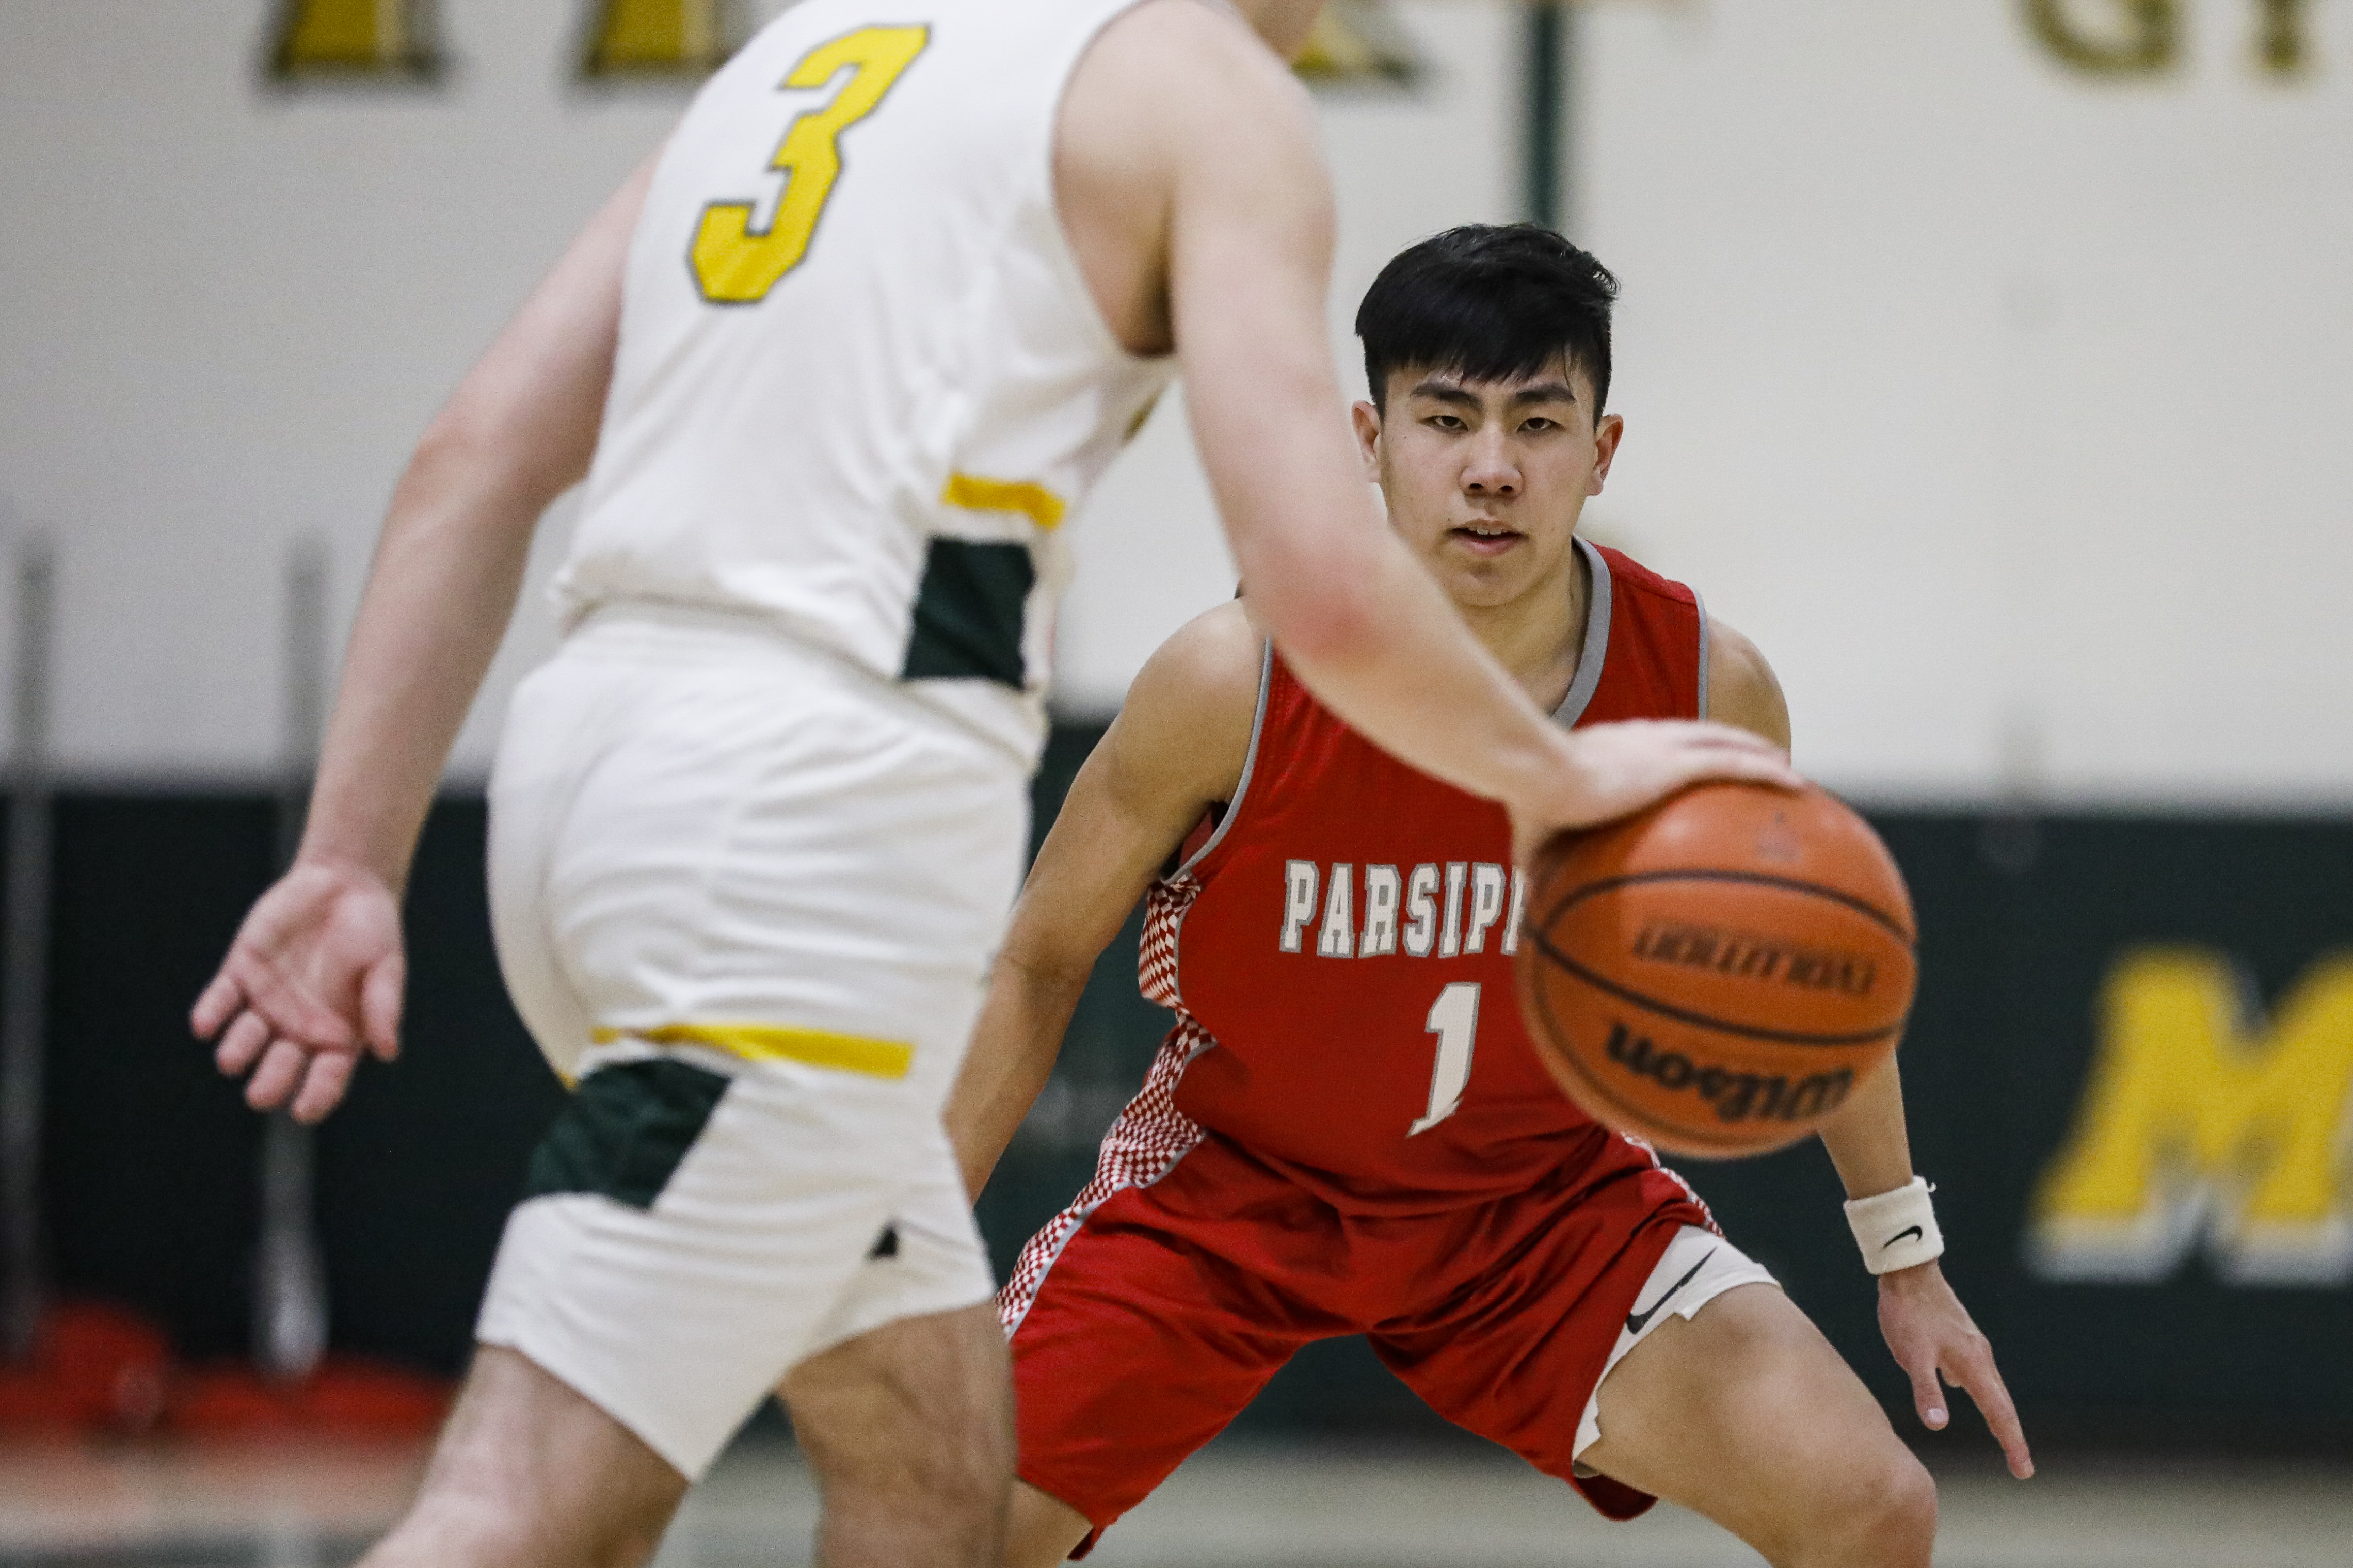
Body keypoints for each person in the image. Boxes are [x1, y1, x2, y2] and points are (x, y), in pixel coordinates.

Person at [191, 5, 1796, 1564]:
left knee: (935, 1480)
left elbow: (470, 458)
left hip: (586, 782)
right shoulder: (1202, 90)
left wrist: (348, 858)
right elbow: (1316, 574)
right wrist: (1566, 777)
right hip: (787, 835)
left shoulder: (805, 57)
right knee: (530, 1504)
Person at [947, 224, 2034, 1568]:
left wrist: (1905, 1260)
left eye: (1538, 421)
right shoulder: (1239, 676)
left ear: (1602, 450)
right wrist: (911, 1260)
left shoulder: (1703, 684)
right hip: (1233, 1194)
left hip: (1537, 1207)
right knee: (943, 1526)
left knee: (1874, 1508)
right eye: (1446, 418)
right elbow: (1039, 961)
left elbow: (1819, 973)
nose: (1492, 469)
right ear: (1371, 434)